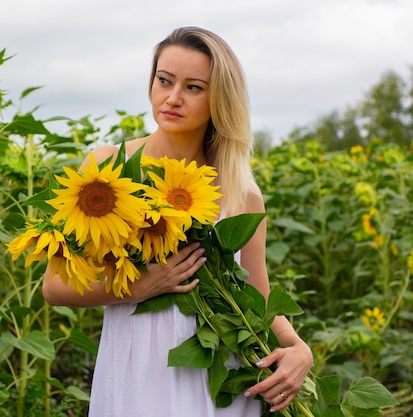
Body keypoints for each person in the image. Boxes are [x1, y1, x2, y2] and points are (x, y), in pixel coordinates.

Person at [42, 26, 313, 416]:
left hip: (220, 372)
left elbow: (258, 298)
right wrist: (137, 288)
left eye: (194, 87)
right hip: (138, 366)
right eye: (164, 80)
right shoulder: (105, 170)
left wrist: (295, 347)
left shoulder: (241, 191)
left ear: (219, 98)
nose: (172, 98)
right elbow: (54, 287)